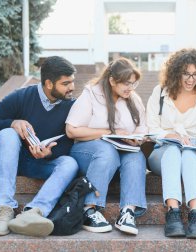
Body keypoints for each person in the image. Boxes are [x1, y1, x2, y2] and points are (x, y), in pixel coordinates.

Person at [0, 56, 79, 237]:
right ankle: (5, 209)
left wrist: (48, 154)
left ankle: (33, 212)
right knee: (7, 133)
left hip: (41, 163)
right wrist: (12, 122)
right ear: (49, 83)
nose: (72, 87)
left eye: (72, 82)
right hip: (11, 159)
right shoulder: (21, 96)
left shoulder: (72, 105)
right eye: (66, 83)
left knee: (70, 163)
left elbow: (69, 141)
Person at [65, 57, 147, 235]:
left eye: (133, 83)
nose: (130, 88)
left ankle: (128, 212)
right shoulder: (91, 95)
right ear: (112, 81)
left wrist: (136, 139)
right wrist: (108, 132)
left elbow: (142, 126)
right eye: (126, 83)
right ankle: (89, 210)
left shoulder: (133, 98)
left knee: (136, 157)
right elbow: (71, 130)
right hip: (88, 152)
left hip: (122, 152)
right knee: (106, 151)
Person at [146, 48, 196, 239]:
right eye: (186, 73)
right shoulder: (160, 92)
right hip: (162, 150)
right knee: (172, 152)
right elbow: (151, 128)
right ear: (176, 72)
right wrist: (171, 135)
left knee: (188, 154)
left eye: (195, 74)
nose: (190, 79)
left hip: (193, 153)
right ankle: (173, 213)